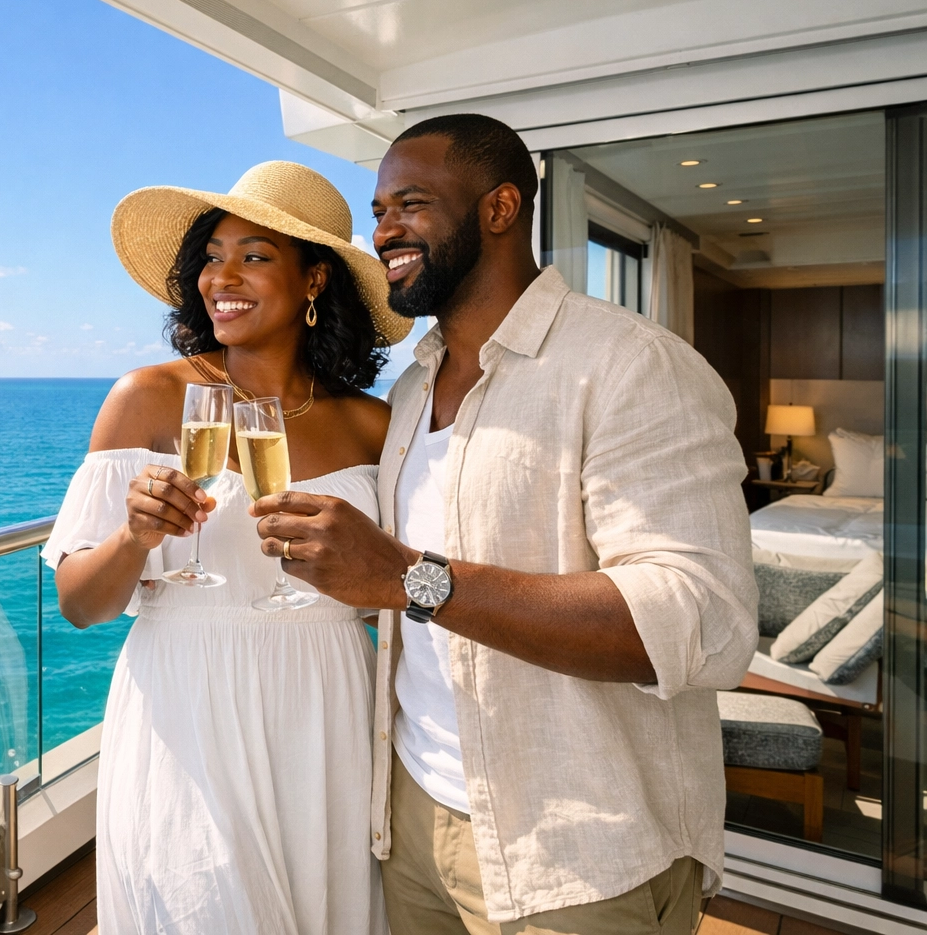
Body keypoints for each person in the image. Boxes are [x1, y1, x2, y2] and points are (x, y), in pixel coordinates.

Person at [251, 115, 758, 934]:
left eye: (409, 204)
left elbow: (704, 623)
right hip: (412, 814)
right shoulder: (412, 394)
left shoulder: (629, 366)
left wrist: (407, 579)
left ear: (500, 208)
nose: (383, 230)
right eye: (378, 209)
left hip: (580, 849)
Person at [44, 161, 411, 935]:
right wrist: (134, 536)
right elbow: (79, 604)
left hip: (327, 709)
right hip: (188, 707)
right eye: (212, 256)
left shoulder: (372, 425)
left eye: (253, 255)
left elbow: (400, 584)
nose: (221, 277)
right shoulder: (145, 397)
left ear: (314, 279)